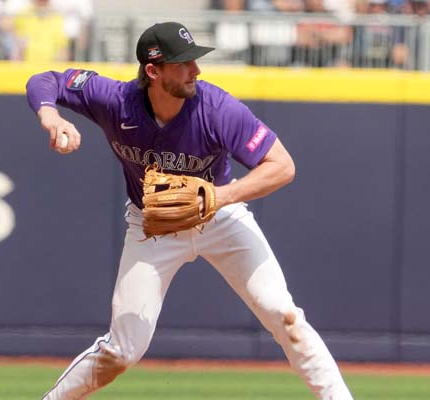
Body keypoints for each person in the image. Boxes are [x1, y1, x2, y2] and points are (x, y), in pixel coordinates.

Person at [25, 21, 354, 400]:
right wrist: (49, 115)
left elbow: (283, 166)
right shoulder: (115, 100)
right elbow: (45, 79)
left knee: (286, 317)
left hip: (221, 218)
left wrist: (219, 197)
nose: (195, 70)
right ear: (153, 70)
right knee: (122, 350)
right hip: (152, 226)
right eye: (183, 63)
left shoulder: (216, 108)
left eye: (194, 60)